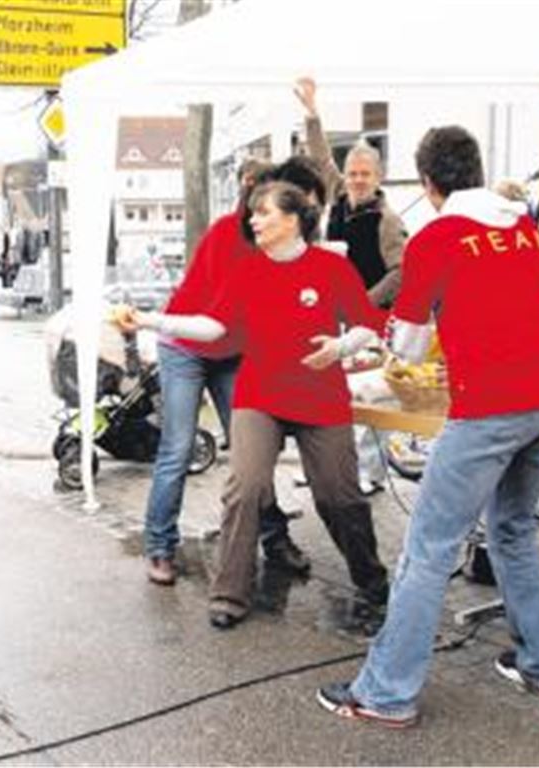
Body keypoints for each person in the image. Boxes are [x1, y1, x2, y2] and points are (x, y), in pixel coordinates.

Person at [317, 126, 539, 728]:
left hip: (492, 405)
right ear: (478, 170)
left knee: (428, 549)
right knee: (512, 529)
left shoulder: (437, 235)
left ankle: (386, 693)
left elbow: (405, 341)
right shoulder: (524, 228)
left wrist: (375, 344)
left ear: (428, 184)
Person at [117, 181, 390, 630]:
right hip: (260, 394)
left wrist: (340, 347)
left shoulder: (331, 268)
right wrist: (150, 319)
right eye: (254, 213)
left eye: (263, 213)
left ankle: (371, 578)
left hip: (320, 397)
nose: (253, 220)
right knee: (244, 487)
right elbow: (212, 326)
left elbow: (366, 326)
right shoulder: (247, 271)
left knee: (338, 496)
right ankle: (229, 594)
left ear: (293, 219)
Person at [139, 157, 316, 587]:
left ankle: (274, 539)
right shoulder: (226, 234)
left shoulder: (284, 244)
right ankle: (160, 545)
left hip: (230, 352)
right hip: (186, 345)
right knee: (178, 448)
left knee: (250, 450)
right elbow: (229, 311)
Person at [294, 77, 409, 496]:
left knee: (370, 396)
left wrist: (364, 301)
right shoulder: (338, 198)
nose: (357, 179)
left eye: (365, 174)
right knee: (329, 389)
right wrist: (312, 112)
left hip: (370, 320)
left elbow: (401, 271)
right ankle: (321, 465)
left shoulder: (387, 219)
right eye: (353, 172)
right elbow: (320, 155)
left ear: (379, 176)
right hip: (334, 314)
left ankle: (372, 474)